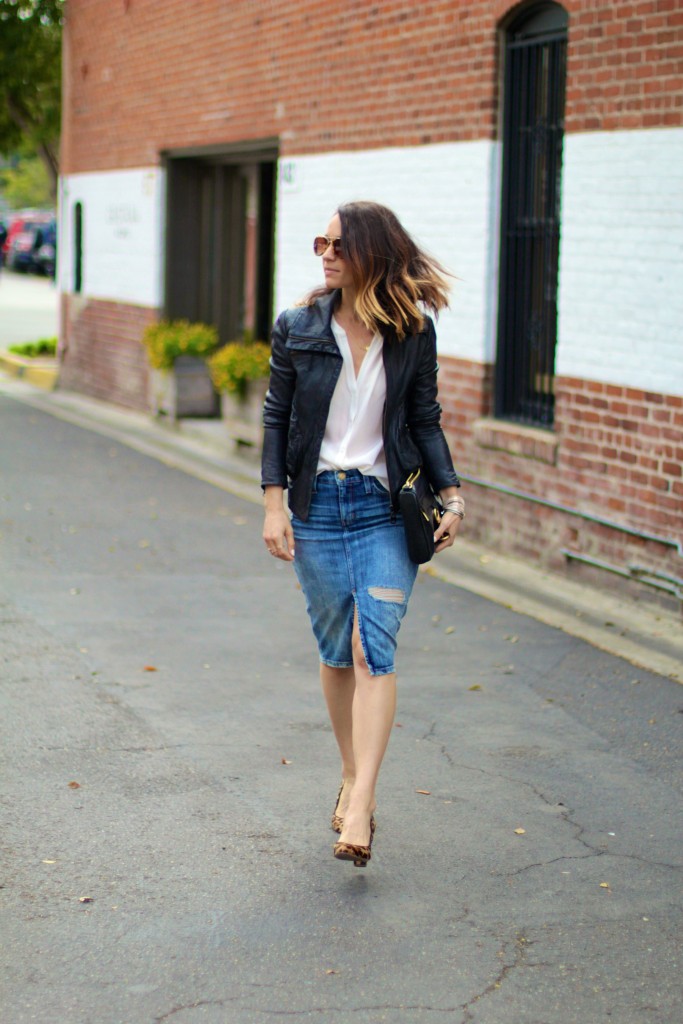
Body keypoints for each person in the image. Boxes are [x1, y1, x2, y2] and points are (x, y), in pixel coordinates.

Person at [261, 201, 464, 867]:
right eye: (320, 242)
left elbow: (425, 418)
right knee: (335, 651)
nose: (324, 252)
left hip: (383, 503)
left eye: (338, 244)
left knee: (371, 642)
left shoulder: (411, 332)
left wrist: (452, 494)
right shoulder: (297, 327)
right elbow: (276, 418)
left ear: (371, 252)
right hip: (317, 506)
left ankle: (361, 804)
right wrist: (273, 504)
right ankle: (352, 772)